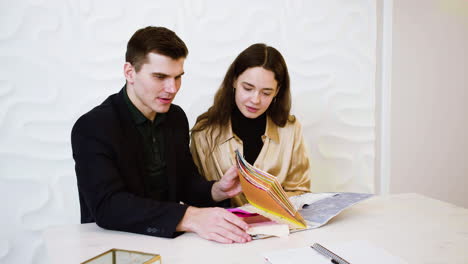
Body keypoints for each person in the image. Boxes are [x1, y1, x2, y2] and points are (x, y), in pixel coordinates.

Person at [71, 26, 251, 244]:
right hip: (113, 244)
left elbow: (185, 182)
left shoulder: (175, 117)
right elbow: (108, 206)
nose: (172, 88)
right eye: (160, 77)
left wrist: (217, 190)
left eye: (178, 77)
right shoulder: (92, 127)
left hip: (169, 244)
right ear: (129, 72)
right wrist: (190, 217)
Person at [191, 43, 311, 207]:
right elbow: (196, 194)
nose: (255, 100)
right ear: (234, 81)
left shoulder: (291, 129)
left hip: (280, 228)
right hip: (224, 228)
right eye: (247, 88)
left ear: (277, 91)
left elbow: (301, 192)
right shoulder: (204, 131)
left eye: (266, 92)